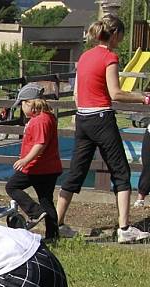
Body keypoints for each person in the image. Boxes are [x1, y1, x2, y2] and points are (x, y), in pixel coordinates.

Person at [55, 14, 150, 244]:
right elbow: (115, 93)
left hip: (83, 119)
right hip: (101, 118)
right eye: (122, 36)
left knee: (76, 173)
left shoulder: (84, 57)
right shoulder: (109, 57)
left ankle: (55, 224)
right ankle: (125, 228)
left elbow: (77, 95)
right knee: (121, 171)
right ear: (115, 34)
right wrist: (143, 98)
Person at [6, 84, 62, 242]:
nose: (21, 109)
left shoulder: (40, 121)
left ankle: (34, 212)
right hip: (49, 167)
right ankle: (53, 236)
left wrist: (25, 160)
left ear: (29, 103)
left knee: (11, 186)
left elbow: (40, 144)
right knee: (46, 200)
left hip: (37, 168)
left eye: (22, 104)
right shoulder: (46, 117)